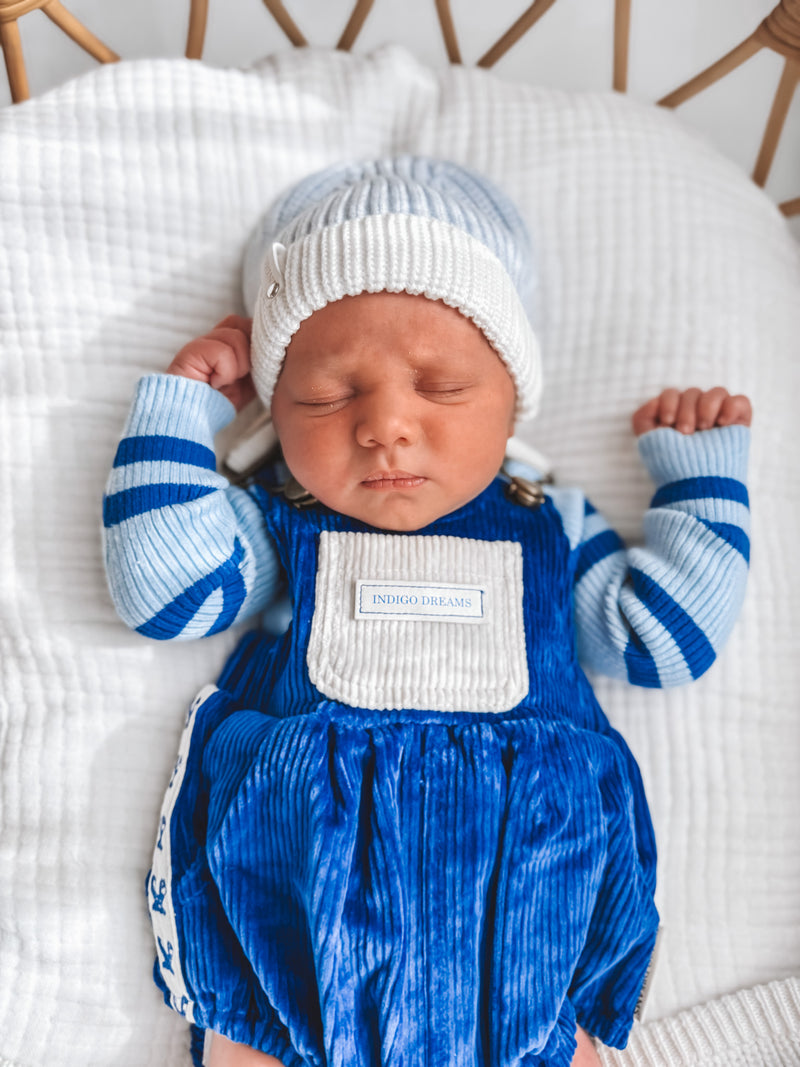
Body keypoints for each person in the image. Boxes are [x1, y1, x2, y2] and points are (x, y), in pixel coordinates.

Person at [102, 157, 752, 1067]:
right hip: (298, 896)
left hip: (533, 892)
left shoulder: (548, 519)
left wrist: (701, 490)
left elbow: (661, 644)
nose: (385, 425)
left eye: (441, 387)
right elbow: (162, 595)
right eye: (328, 395)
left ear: (512, 398)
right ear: (277, 408)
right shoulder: (284, 517)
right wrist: (183, 408)